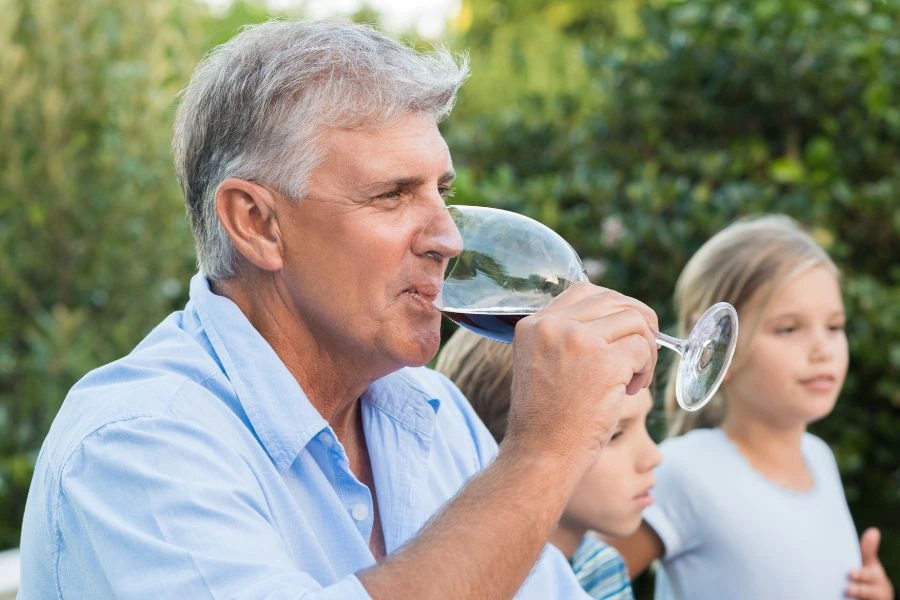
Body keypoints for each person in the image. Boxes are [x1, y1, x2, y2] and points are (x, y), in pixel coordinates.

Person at [18, 20, 663, 598]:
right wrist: (543, 455)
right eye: (392, 195)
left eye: (441, 191)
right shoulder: (138, 444)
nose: (448, 238)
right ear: (257, 224)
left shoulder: (434, 415)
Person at [609, 215, 895, 600]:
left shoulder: (820, 459)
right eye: (788, 328)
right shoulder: (684, 471)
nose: (822, 349)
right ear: (712, 342)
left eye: (834, 326)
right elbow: (577, 583)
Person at [435, 327, 662, 599]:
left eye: (645, 422)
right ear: (503, 449)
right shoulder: (461, 584)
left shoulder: (601, 568)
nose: (653, 457)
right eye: (614, 434)